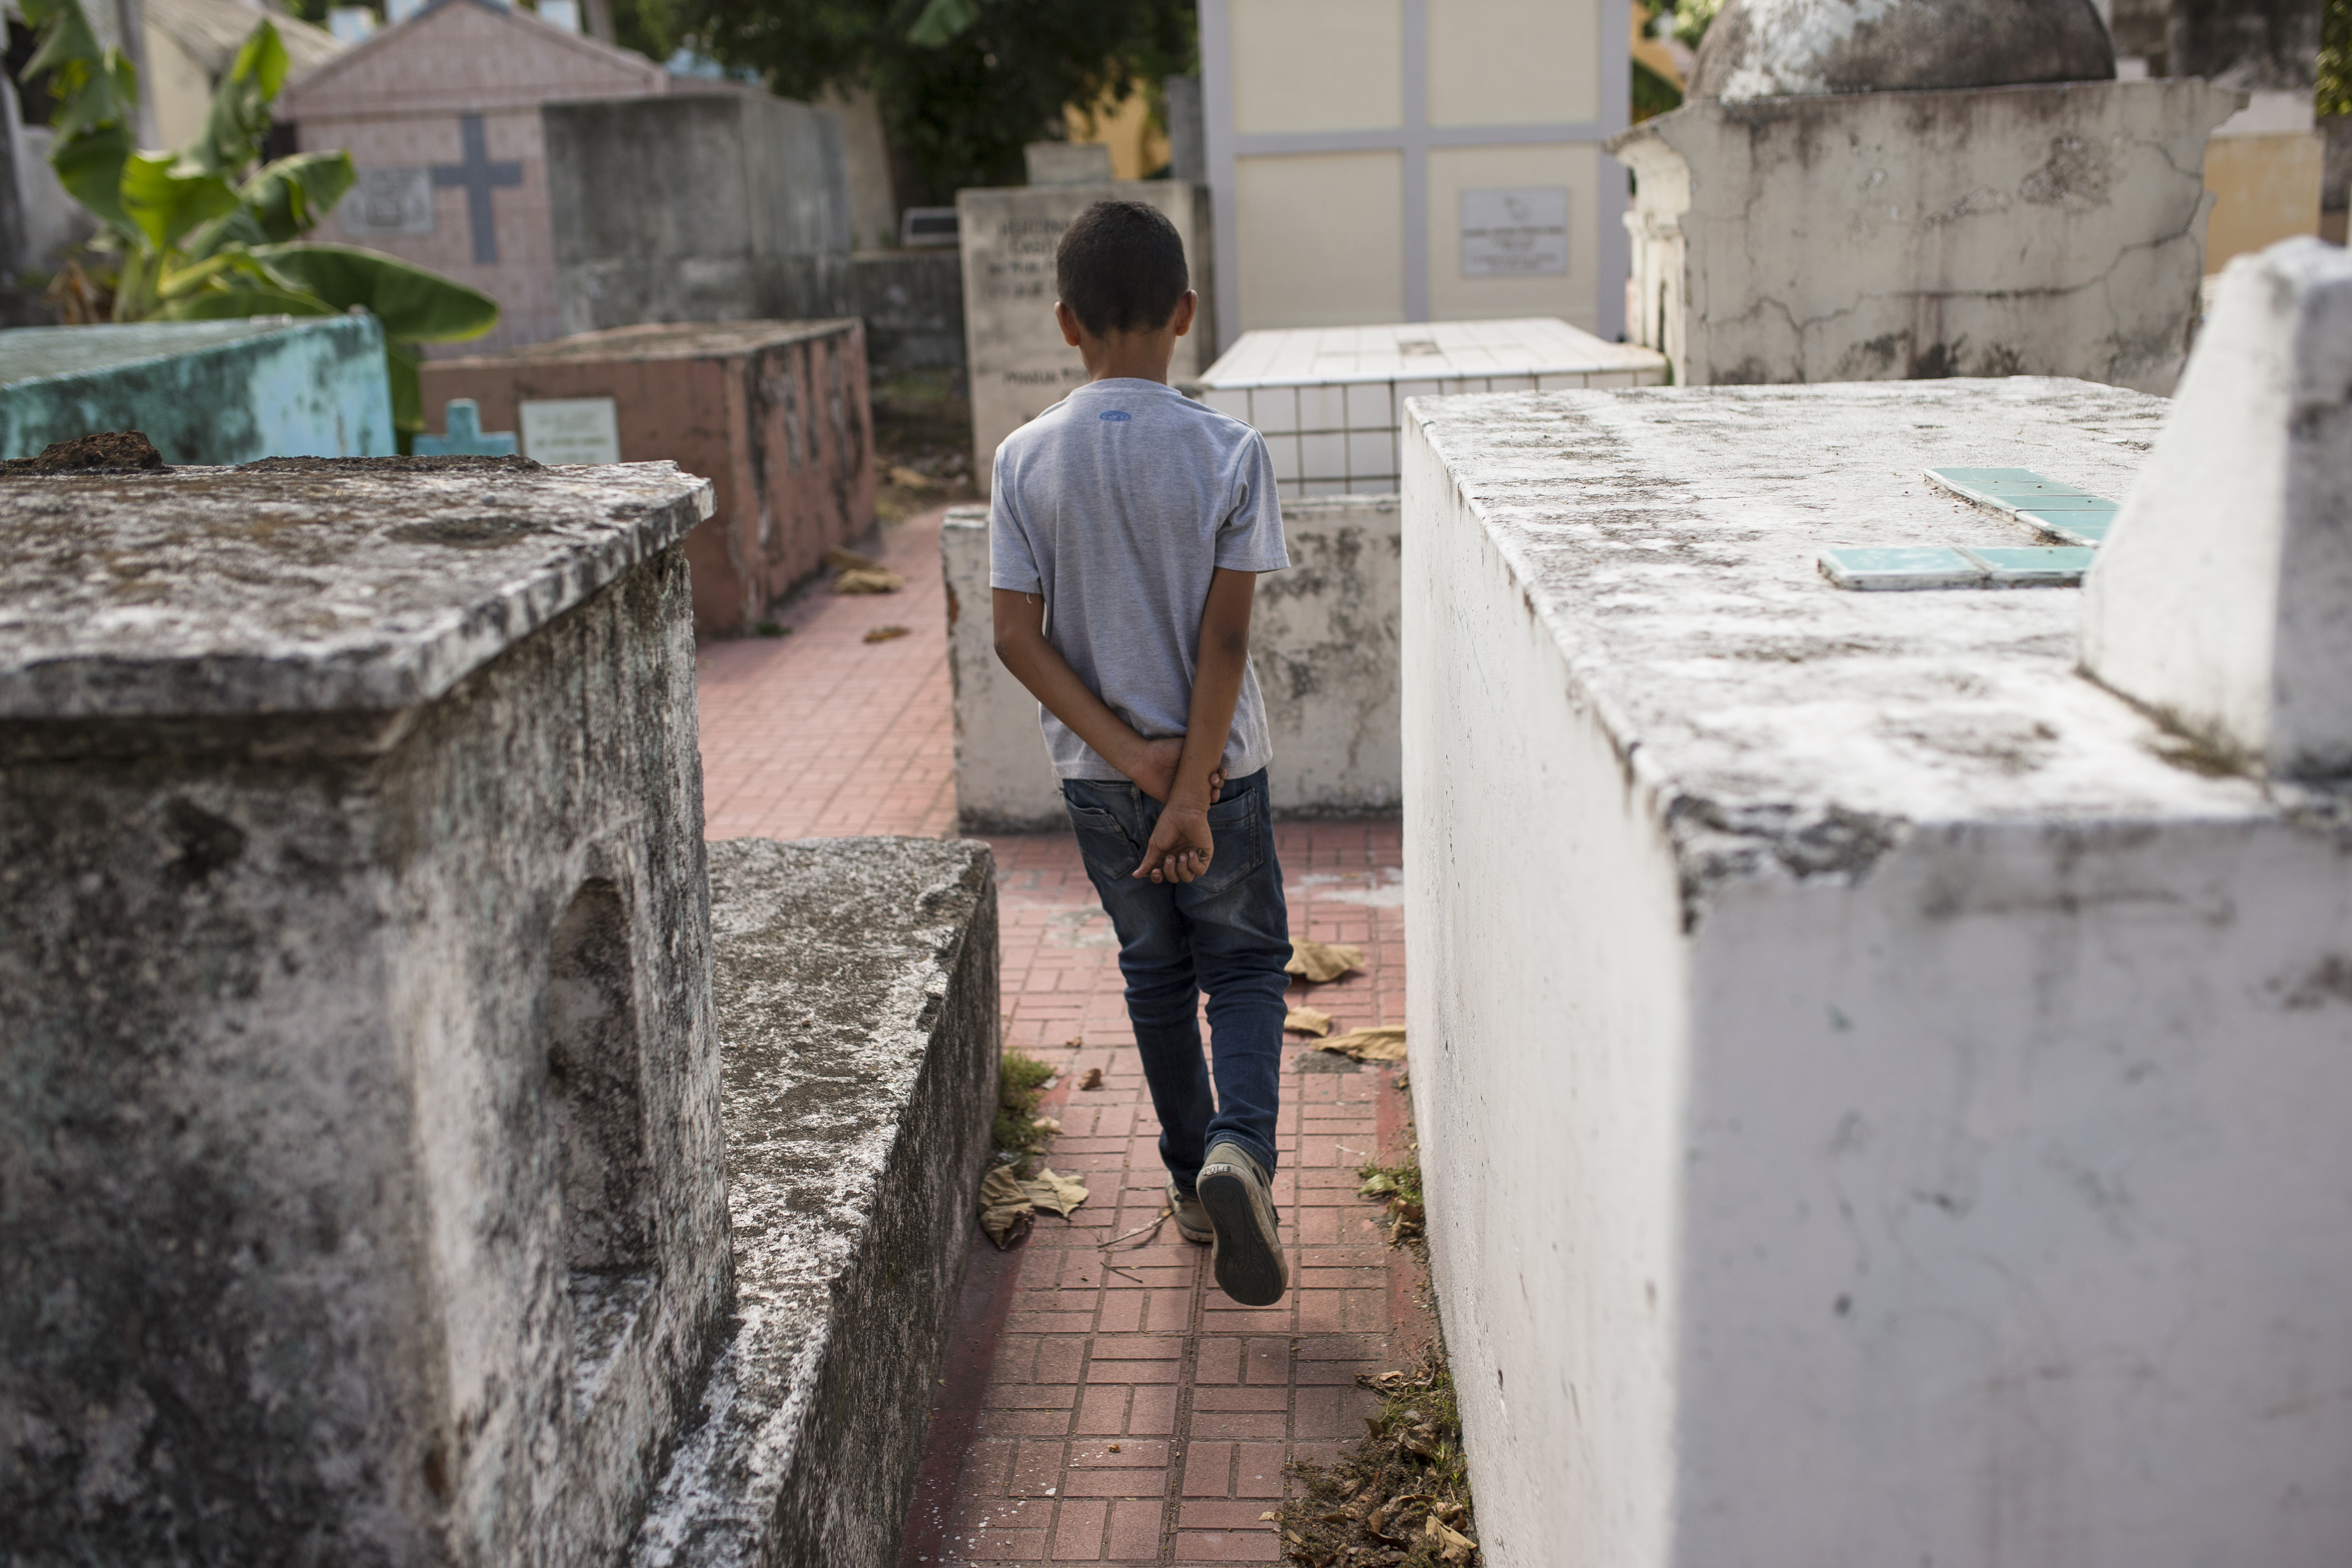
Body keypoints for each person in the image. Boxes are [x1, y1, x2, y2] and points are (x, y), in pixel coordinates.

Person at [989, 200, 1292, 1308]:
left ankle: (1183, 1183)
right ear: (1185, 314)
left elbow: (1013, 637)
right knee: (1248, 967)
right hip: (1223, 777)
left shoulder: (1023, 460)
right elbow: (1224, 638)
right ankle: (1238, 1154)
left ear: (1066, 324)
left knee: (1154, 978)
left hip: (1101, 782)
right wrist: (1193, 783)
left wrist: (1136, 765)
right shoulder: (1226, 451)